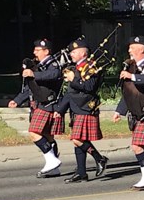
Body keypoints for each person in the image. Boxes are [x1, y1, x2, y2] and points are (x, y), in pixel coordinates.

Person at [8, 38, 66, 178]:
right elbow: (30, 88)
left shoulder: (53, 63)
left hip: (48, 104)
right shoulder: (38, 65)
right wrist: (17, 100)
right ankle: (54, 168)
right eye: (34, 50)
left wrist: (34, 74)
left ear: (46, 51)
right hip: (39, 104)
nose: (34, 52)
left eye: (38, 50)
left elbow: (55, 75)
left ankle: (52, 160)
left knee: (34, 132)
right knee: (48, 137)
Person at [112, 36, 144, 190]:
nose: (129, 51)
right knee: (139, 146)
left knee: (137, 146)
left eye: (132, 48)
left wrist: (132, 76)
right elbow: (129, 93)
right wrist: (120, 111)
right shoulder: (131, 68)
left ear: (141, 50)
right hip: (137, 114)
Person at [61, 37, 110, 183]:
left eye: (74, 52)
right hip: (77, 107)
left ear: (83, 53)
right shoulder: (76, 68)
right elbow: (71, 92)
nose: (71, 54)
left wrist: (73, 79)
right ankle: (81, 172)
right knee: (79, 140)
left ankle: (99, 158)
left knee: (77, 139)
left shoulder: (91, 67)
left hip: (86, 106)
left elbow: (89, 87)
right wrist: (61, 108)